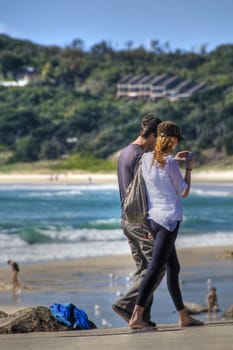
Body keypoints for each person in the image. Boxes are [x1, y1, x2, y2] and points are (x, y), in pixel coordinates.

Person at [129, 120, 204, 329]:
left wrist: (175, 162)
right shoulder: (169, 162)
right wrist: (188, 169)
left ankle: (183, 317)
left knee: (173, 266)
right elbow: (184, 191)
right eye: (176, 139)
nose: (178, 143)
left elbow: (160, 171)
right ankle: (136, 316)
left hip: (153, 219)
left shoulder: (145, 159)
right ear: (171, 140)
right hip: (169, 221)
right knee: (155, 268)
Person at [112, 113, 165, 327]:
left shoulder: (125, 152)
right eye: (158, 138)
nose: (158, 143)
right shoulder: (139, 156)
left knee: (143, 269)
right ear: (151, 135)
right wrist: (149, 224)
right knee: (157, 267)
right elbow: (145, 192)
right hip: (138, 220)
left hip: (126, 219)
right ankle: (126, 305)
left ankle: (141, 317)